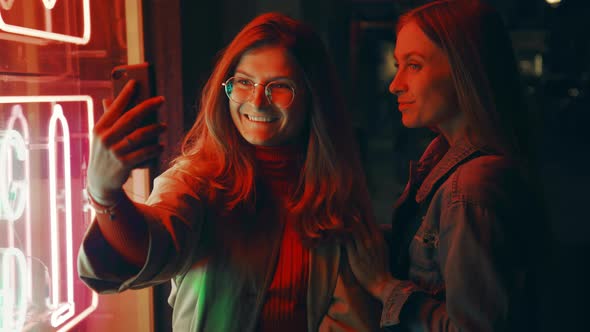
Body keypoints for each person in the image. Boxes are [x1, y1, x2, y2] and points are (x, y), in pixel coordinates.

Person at [77, 12, 382, 332]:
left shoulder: (335, 190)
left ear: (311, 96)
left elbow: (354, 317)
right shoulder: (195, 180)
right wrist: (105, 195)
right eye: (244, 82)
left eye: (279, 86)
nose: (257, 101)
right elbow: (154, 251)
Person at [345, 0, 538, 331]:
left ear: (466, 69)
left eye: (414, 66)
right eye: (397, 64)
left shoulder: (472, 186)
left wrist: (382, 285)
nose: (395, 84)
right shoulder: (442, 157)